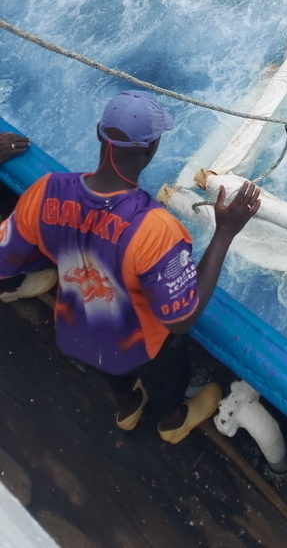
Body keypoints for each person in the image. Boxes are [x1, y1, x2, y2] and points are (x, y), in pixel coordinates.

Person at [0, 91, 261, 444]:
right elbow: (181, 319)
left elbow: (6, 258)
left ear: (97, 133)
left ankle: (127, 408)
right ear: (151, 150)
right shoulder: (154, 229)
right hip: (139, 345)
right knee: (166, 371)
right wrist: (224, 234)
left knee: (113, 373)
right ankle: (173, 420)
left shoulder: (45, 191)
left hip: (76, 331)